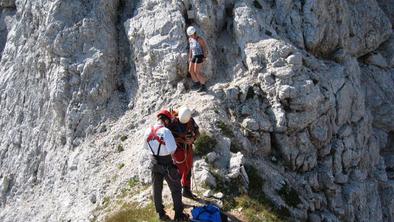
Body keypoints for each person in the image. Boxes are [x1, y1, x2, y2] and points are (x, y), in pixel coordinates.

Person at [143, 110, 189, 221]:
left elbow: (145, 147)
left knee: (157, 189)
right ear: (166, 120)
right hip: (167, 163)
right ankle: (179, 215)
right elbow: (172, 149)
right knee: (176, 188)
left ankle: (161, 214)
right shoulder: (165, 131)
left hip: (154, 162)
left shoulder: (148, 130)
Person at [169, 107, 200, 199]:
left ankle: (186, 190)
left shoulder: (191, 121)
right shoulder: (173, 122)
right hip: (177, 150)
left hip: (188, 149)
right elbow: (168, 137)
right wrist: (182, 141)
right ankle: (177, 194)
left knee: (188, 168)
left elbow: (197, 132)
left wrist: (193, 139)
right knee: (178, 171)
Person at [187, 26, 208, 92]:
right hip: (194, 55)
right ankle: (197, 83)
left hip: (199, 56)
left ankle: (203, 86)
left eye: (192, 35)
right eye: (190, 35)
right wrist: (190, 56)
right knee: (190, 70)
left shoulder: (199, 39)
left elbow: (204, 48)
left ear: (195, 33)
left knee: (197, 72)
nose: (191, 36)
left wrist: (205, 57)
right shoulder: (190, 39)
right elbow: (191, 48)